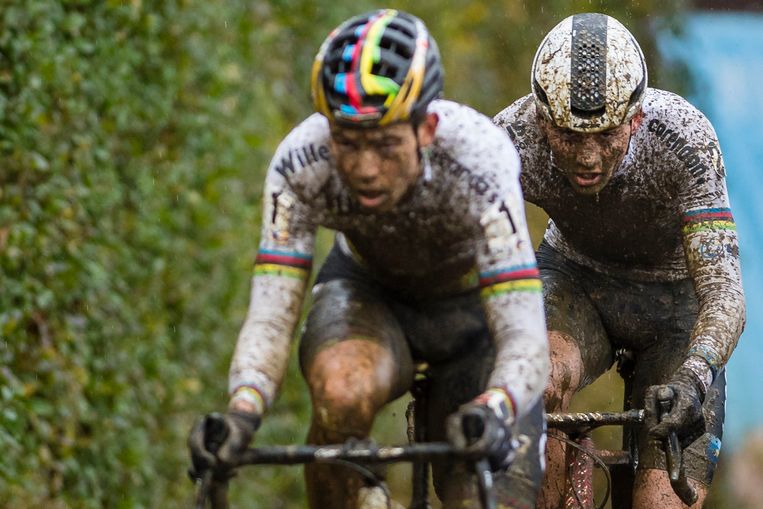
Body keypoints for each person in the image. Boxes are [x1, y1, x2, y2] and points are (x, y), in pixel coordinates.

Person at [188, 9, 550, 509]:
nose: (364, 169)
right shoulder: (301, 162)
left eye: (384, 145)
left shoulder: (480, 160)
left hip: (474, 321)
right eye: (347, 142)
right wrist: (242, 412)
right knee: (340, 391)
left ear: (426, 127)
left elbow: (525, 336)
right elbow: (272, 316)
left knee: (489, 496)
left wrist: (496, 404)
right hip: (369, 299)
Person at [493, 12, 746, 508]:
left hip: (676, 311)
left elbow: (723, 291)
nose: (588, 158)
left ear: (636, 117)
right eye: (568, 137)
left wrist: (695, 375)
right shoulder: (509, 139)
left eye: (606, 136)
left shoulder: (685, 141)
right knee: (534, 380)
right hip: (575, 282)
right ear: (541, 120)